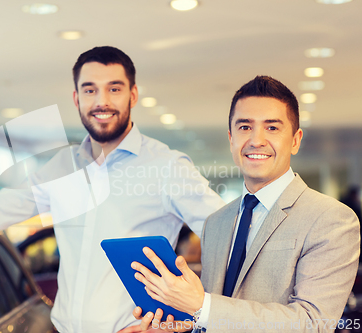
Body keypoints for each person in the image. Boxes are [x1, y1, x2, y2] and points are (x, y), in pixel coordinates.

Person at [0, 46, 225, 333]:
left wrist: (186, 323)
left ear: (133, 94)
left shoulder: (166, 166)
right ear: (76, 98)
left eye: (114, 89)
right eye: (90, 90)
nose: (102, 101)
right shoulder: (62, 167)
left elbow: (229, 240)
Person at [131, 76, 360, 332]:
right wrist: (178, 326)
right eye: (244, 127)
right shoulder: (216, 222)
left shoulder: (332, 219)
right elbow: (211, 317)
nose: (256, 140)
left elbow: (313, 323)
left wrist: (202, 305)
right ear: (231, 139)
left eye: (272, 128)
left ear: (295, 140)